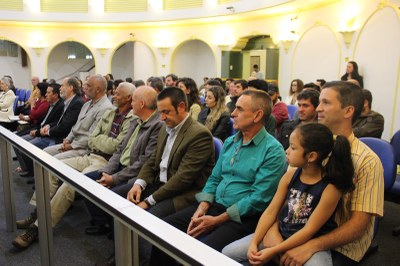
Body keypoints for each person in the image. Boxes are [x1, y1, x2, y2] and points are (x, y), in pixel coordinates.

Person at [150, 89, 287, 265]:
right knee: (165, 230)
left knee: (198, 252)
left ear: (257, 115)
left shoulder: (272, 151)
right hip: (215, 206)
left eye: (239, 109)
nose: (233, 113)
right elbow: (214, 178)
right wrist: (203, 206)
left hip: (242, 217)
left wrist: (216, 220)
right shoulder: (232, 141)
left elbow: (258, 199)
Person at [267, 81, 383, 266]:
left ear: (348, 111)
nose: (318, 108)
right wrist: (272, 229)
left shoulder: (367, 161)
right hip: (293, 228)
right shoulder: (307, 145)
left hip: (338, 244)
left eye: (326, 103)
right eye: (319, 102)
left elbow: (358, 227)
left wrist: (312, 245)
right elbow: (285, 198)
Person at [11, 82, 135, 249]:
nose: (114, 96)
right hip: (90, 154)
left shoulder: (130, 118)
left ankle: (38, 228)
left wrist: (98, 141)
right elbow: (91, 137)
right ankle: (38, 212)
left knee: (70, 184)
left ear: (129, 98)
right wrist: (91, 141)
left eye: (118, 94)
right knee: (52, 169)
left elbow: (115, 147)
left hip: (105, 162)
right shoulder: (111, 112)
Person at [223, 123, 355, 265]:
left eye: (293, 148)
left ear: (311, 156)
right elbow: (271, 211)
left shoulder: (331, 188)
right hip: (282, 233)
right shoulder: (290, 176)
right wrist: (254, 243)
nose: (286, 151)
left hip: (308, 243)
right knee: (227, 253)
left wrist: (274, 250)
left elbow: (309, 230)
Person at [83, 86, 163, 235]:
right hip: (119, 168)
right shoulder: (135, 120)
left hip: (134, 174)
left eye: (133, 100)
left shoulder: (157, 126)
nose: (131, 104)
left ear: (142, 104)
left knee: (110, 198)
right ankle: (104, 224)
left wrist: (113, 179)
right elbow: (120, 149)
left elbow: (144, 162)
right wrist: (107, 172)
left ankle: (121, 242)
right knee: (86, 183)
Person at [43, 74, 114, 160]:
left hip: (85, 149)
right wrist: (67, 139)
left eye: (88, 85)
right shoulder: (87, 104)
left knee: (55, 160)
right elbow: (76, 126)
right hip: (74, 142)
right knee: (45, 152)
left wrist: (71, 146)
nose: (84, 87)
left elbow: (92, 136)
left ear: (98, 89)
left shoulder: (105, 108)